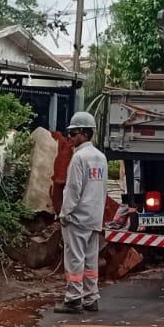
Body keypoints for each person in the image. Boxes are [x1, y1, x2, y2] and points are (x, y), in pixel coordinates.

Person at [55, 110, 107, 314]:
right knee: (91, 260)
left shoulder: (78, 159)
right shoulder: (101, 158)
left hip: (77, 218)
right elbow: (101, 189)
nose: (70, 137)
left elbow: (74, 190)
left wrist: (64, 214)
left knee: (75, 259)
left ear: (85, 133)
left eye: (74, 133)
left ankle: (74, 299)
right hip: (94, 217)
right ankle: (91, 298)